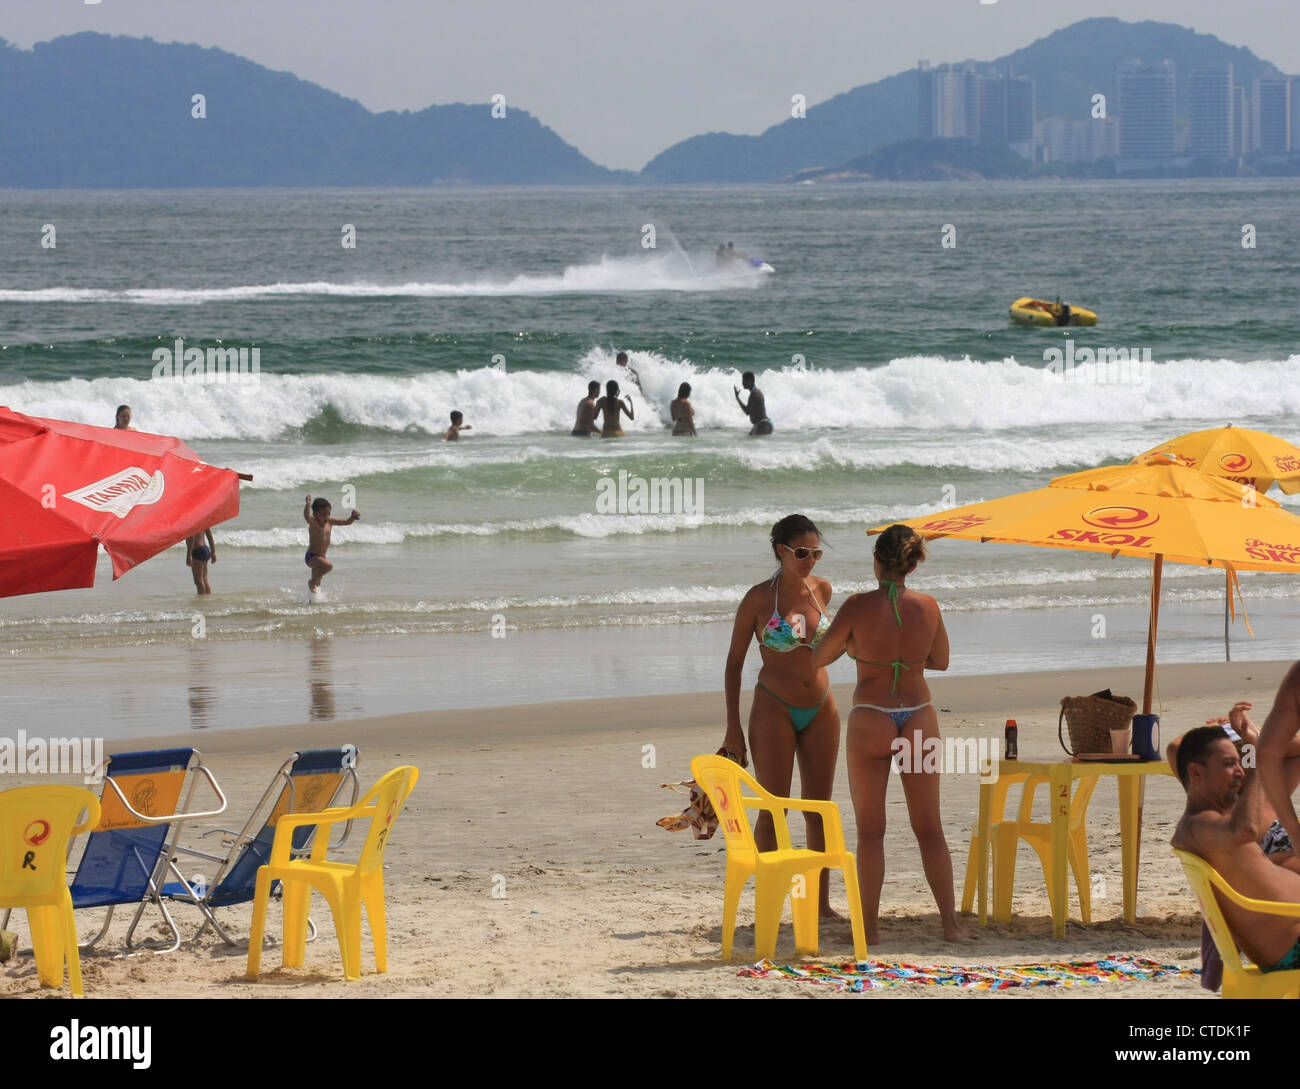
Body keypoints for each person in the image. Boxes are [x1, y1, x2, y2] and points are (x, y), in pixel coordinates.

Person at [812, 523, 959, 942]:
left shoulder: (857, 606)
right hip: (919, 715)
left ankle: (870, 928)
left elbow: (820, 656)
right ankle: (950, 924)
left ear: (876, 561)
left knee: (871, 830)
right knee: (929, 827)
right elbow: (942, 660)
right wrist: (904, 659)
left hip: (872, 716)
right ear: (911, 565)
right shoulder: (929, 606)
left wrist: (858, 650)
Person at [721, 515, 840, 916]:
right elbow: (734, 663)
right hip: (773, 705)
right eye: (802, 553)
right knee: (774, 808)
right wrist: (732, 727)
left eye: (816, 553)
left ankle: (821, 906)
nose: (810, 561)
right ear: (781, 551)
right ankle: (768, 902)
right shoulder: (758, 600)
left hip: (822, 708)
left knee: (819, 808)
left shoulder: (822, 590)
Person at [1170, 701, 1300, 974]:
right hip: (1292, 947)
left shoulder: (1208, 821)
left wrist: (1253, 748)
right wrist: (1259, 753)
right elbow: (1246, 830)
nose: (1239, 771)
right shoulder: (1200, 825)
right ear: (1196, 772)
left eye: (1239, 763)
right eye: (1230, 764)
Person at [303, 494, 359, 597]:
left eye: (328, 513)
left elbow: (346, 522)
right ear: (315, 514)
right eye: (323, 514)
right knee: (328, 566)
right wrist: (307, 504)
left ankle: (312, 602)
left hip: (321, 557)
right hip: (312, 557)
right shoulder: (313, 523)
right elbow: (306, 516)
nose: (327, 517)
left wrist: (353, 517)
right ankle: (311, 582)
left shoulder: (330, 522)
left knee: (316, 585)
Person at [185, 529, 216, 595]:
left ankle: (202, 600)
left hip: (197, 550)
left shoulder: (192, 522)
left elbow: (192, 537)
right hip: (205, 549)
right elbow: (209, 536)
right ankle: (207, 597)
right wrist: (213, 552)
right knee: (204, 578)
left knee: (198, 580)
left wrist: (189, 555)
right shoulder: (202, 521)